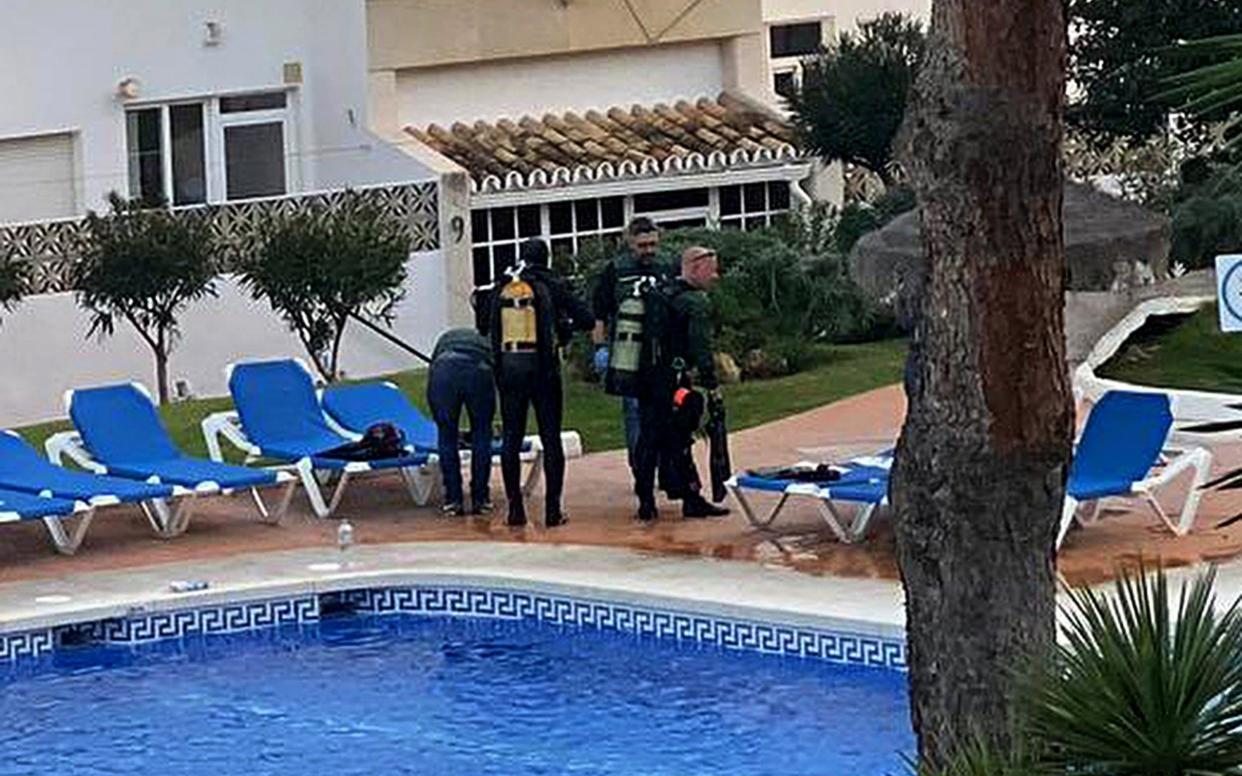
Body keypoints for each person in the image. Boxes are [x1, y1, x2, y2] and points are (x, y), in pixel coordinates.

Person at [481, 238, 593, 528]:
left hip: (509, 374)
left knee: (511, 439)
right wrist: (564, 326)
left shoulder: (504, 285)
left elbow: (484, 323)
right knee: (550, 437)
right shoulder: (550, 283)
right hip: (544, 372)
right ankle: (553, 511)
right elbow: (587, 318)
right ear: (547, 259)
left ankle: (515, 510)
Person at [633, 245, 731, 522]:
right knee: (679, 438)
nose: (716, 276)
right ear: (695, 267)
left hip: (646, 380)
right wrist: (712, 383)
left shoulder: (658, 294)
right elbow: (700, 347)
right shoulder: (693, 301)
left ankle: (646, 501)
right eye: (712, 270)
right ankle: (690, 497)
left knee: (649, 439)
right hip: (674, 382)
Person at [591, 217, 675, 475]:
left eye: (652, 244)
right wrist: (600, 349)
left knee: (665, 409)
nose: (648, 250)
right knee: (634, 410)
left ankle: (664, 466)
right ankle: (640, 467)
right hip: (628, 354)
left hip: (660, 353)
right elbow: (599, 313)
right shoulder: (616, 270)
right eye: (643, 245)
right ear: (631, 243)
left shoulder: (666, 267)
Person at [426, 326, 496, 517]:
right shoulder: (488, 341)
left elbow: (433, 366)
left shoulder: (444, 339)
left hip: (443, 372)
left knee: (447, 436)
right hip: (478, 371)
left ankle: (452, 500)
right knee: (482, 434)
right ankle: (481, 499)